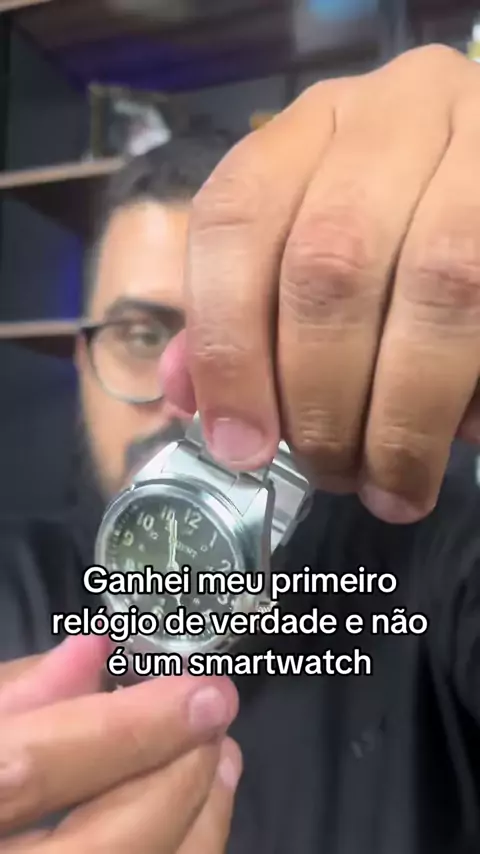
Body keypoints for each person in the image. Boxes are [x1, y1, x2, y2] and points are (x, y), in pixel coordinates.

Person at [1, 43, 480, 854]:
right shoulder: (12, 580)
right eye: (140, 333)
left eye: (243, 334)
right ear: (82, 360)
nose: (189, 393)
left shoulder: (440, 555)